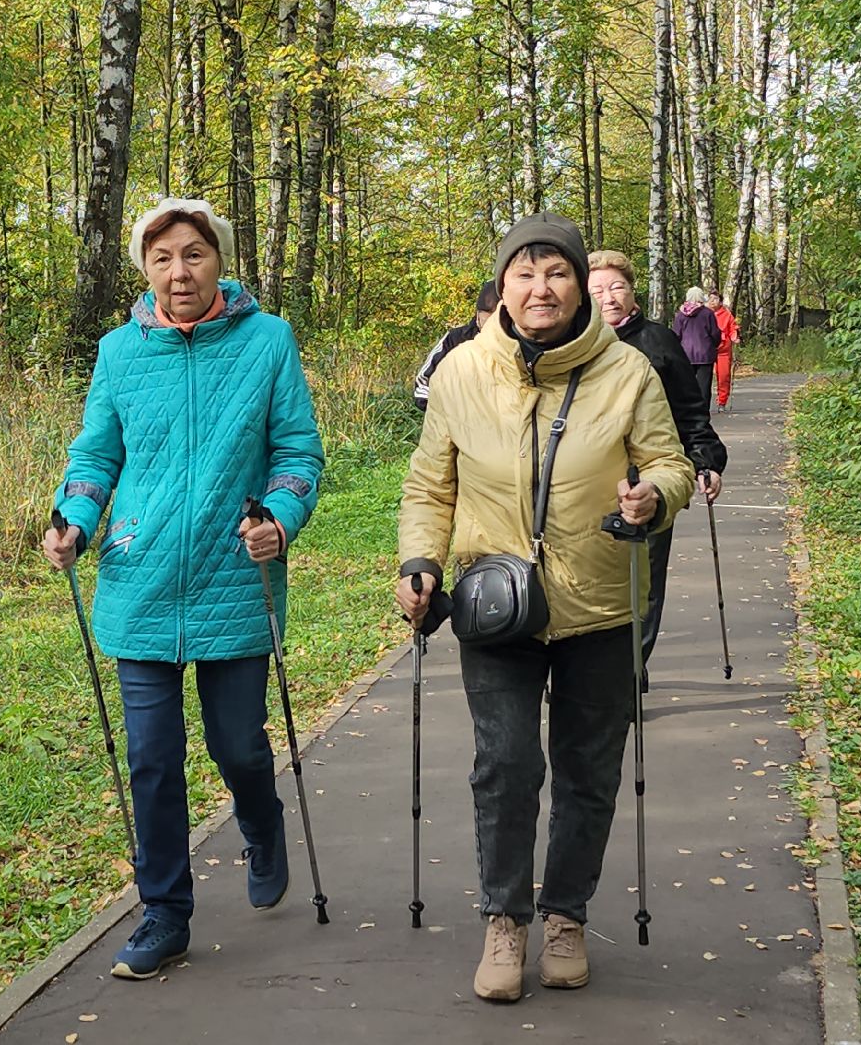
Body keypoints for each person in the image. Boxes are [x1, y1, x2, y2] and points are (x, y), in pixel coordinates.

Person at [396, 213, 694, 1004]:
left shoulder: (628, 371)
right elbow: (431, 484)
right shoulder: (461, 373)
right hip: (497, 605)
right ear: (502, 285)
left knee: (590, 768)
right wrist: (420, 562)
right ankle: (506, 918)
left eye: (556, 272)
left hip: (603, 604)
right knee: (506, 766)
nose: (542, 288)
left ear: (578, 283)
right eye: (525, 273)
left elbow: (671, 464)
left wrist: (651, 497)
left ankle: (565, 914)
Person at [40, 198, 326, 981]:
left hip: (236, 577)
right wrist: (74, 518)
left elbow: (298, 450)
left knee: (238, 746)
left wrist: (280, 515)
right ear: (145, 269)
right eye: (163, 258)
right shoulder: (118, 352)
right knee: (153, 760)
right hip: (139, 580)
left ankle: (261, 824)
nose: (180, 271)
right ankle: (165, 912)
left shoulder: (269, 341)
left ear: (219, 260)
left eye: (194, 254)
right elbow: (96, 455)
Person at [587, 252, 726, 683]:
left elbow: (690, 409)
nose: (608, 298)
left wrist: (705, 459)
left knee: (643, 583)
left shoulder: (660, 341)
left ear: (632, 292)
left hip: (648, 479)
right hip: (585, 483)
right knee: (586, 580)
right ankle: (583, 674)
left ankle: (630, 670)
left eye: (616, 288)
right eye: (596, 291)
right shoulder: (569, 346)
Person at [412, 279, 500, 410]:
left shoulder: (521, 344)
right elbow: (422, 384)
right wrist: (447, 410)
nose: (492, 326)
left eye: (498, 319)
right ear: (477, 315)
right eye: (487, 318)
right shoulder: (455, 339)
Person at [672, 286, 721, 413]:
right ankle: (703, 410)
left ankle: (689, 409)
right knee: (704, 386)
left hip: (686, 354)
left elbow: (676, 335)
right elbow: (715, 333)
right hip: (705, 354)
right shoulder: (708, 313)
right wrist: (715, 345)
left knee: (687, 384)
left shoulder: (681, 315)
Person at [707, 291, 739, 412]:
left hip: (723, 350)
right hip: (708, 349)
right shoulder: (704, 313)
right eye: (710, 299)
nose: (712, 301)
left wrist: (734, 337)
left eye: (715, 299)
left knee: (724, 376)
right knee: (705, 377)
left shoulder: (727, 315)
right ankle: (702, 401)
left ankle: (722, 401)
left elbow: (733, 328)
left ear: (720, 302)